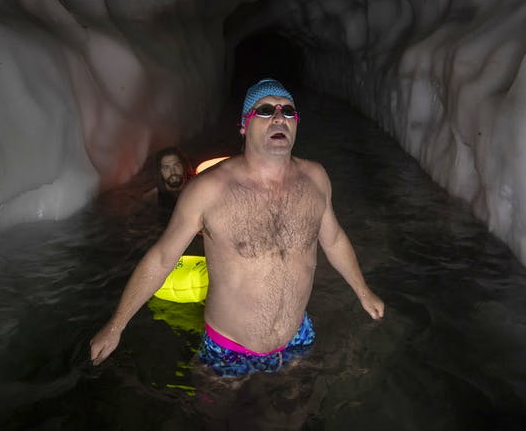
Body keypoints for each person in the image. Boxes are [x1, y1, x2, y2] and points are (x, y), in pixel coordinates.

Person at [90, 78, 384, 376]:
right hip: (229, 349)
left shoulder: (316, 179)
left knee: (294, 415)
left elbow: (333, 239)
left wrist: (364, 292)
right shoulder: (209, 190)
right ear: (244, 125)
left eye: (288, 111)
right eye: (266, 110)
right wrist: (116, 326)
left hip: (297, 337)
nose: (279, 117)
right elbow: (163, 257)